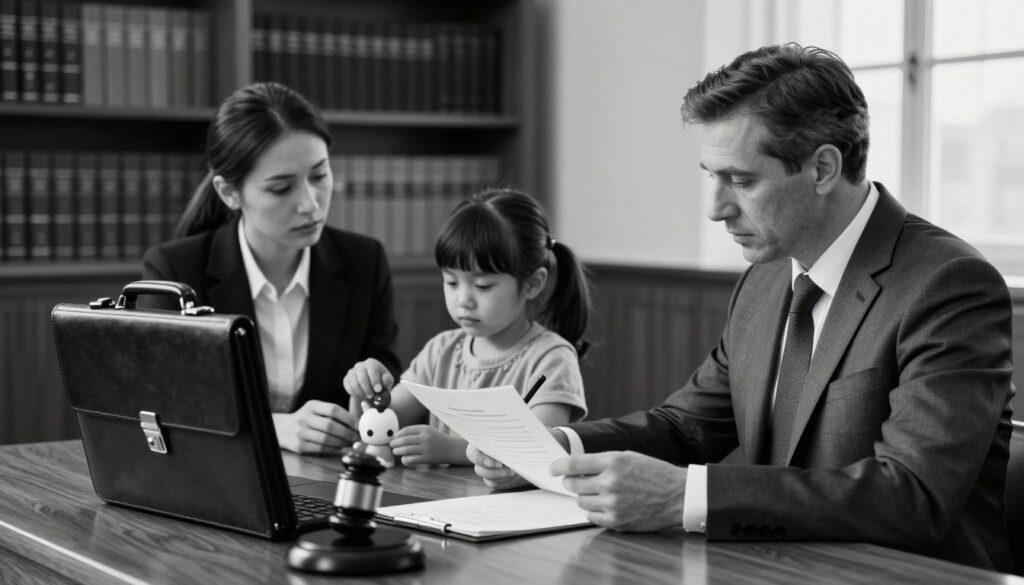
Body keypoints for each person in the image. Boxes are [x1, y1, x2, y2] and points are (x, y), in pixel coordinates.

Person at [468, 44, 1015, 572]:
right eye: (712, 175)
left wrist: (688, 496)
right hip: (776, 568)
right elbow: (686, 427)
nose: (715, 209)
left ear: (822, 169)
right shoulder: (765, 278)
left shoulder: (947, 285)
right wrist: (552, 450)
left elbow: (912, 495)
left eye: (741, 180)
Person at [140, 82, 401, 455]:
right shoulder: (175, 270)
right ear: (229, 192)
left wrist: (369, 398)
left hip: (329, 478)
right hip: (218, 479)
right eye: (282, 189)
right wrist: (271, 428)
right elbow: (161, 403)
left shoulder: (365, 262)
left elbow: (383, 376)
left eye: (319, 175)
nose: (310, 205)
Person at [344, 188, 591, 466]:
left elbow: (541, 451)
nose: (463, 301)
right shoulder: (441, 351)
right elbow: (383, 427)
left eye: (483, 286)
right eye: (451, 282)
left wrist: (454, 450)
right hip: (433, 504)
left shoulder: (552, 359)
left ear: (533, 284)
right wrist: (367, 394)